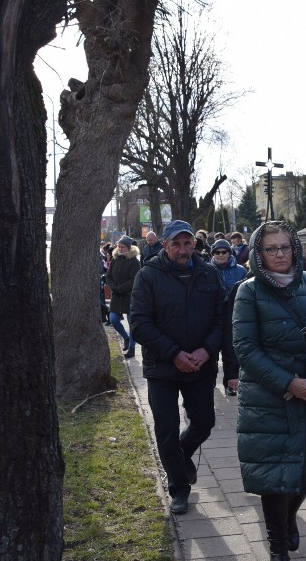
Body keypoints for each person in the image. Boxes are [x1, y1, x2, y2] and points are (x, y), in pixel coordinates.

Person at [232, 221, 306, 561]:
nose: (280, 254)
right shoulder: (248, 291)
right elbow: (245, 348)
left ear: (295, 247)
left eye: (285, 246)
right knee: (273, 477)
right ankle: (277, 544)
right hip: (268, 399)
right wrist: (287, 382)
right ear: (259, 253)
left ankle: (289, 516)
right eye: (271, 248)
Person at [129, 220, 225, 515]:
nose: (183, 250)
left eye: (188, 243)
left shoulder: (208, 273)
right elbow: (139, 324)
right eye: (176, 244)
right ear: (165, 245)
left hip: (199, 365)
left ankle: (182, 455)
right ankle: (179, 488)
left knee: (204, 422)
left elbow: (222, 319)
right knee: (167, 429)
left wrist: (206, 351)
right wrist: (174, 354)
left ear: (194, 244)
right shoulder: (148, 276)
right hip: (163, 368)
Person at [210, 238, 247, 396]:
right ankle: (209, 382)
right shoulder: (207, 269)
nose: (220, 255)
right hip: (212, 312)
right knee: (210, 349)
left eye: (223, 252)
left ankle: (230, 382)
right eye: (217, 252)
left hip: (233, 312)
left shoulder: (240, 270)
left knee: (231, 350)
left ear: (229, 253)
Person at [106, 235, 140, 358]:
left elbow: (134, 279)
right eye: (118, 246)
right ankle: (126, 337)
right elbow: (108, 276)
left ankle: (131, 348)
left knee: (132, 323)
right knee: (113, 319)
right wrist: (113, 288)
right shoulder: (114, 259)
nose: (119, 248)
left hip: (130, 295)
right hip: (116, 295)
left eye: (123, 246)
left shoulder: (134, 262)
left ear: (128, 248)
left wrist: (120, 289)